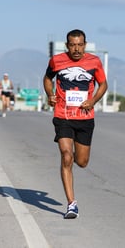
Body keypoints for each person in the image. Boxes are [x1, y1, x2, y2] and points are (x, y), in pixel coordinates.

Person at [43, 29, 108, 219]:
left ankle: (73, 159)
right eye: (73, 45)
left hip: (85, 117)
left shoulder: (94, 62)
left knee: (81, 161)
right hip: (63, 115)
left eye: (80, 45)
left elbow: (103, 84)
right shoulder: (57, 61)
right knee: (66, 156)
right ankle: (72, 204)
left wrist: (93, 100)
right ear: (67, 46)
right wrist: (50, 95)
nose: (76, 49)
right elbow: (48, 78)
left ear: (85, 45)